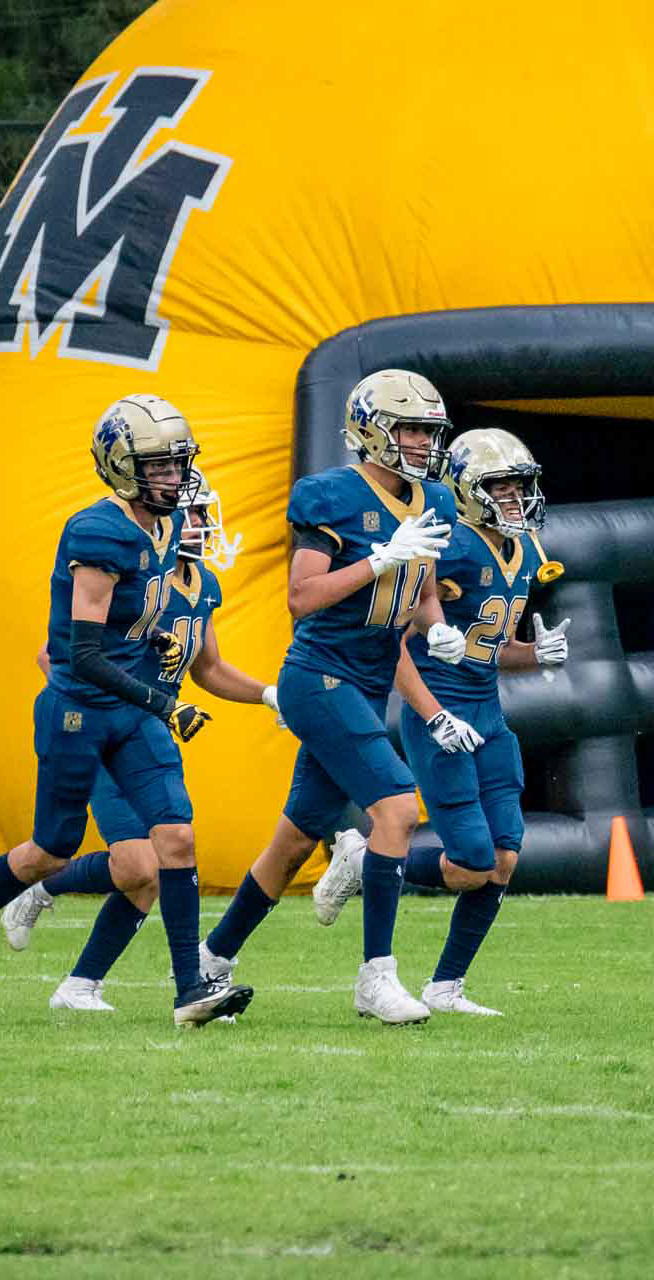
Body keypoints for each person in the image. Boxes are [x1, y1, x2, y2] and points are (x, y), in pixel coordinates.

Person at [0, 395, 252, 1028]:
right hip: (80, 710)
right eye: (158, 465)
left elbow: (131, 618)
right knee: (50, 850)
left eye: (177, 463)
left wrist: (156, 641)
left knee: (177, 837)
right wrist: (166, 702)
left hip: (131, 715)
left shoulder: (167, 529)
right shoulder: (98, 531)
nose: (174, 477)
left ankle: (190, 989)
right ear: (122, 466)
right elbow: (84, 654)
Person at [195, 368, 470, 1026]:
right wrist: (377, 559)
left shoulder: (435, 497)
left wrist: (439, 629)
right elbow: (301, 597)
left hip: (369, 680)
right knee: (397, 807)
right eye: (409, 429)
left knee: (294, 841)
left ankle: (211, 957)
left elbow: (421, 592)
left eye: (428, 431)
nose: (422, 442)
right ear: (371, 430)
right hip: (319, 675)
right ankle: (377, 976)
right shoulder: (329, 496)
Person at [1, 468, 281, 1013]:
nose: (196, 523)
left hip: (148, 733)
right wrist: (94, 710)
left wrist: (269, 695)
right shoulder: (132, 567)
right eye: (189, 512)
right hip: (107, 726)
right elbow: (54, 656)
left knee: (157, 864)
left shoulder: (204, 584)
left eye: (201, 513)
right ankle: (44, 886)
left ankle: (81, 985)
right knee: (139, 866)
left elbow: (209, 669)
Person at [382, 428, 569, 1016]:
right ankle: (366, 858)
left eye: (519, 485)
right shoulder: (448, 544)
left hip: (489, 715)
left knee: (504, 857)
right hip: (439, 713)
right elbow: (391, 642)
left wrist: (535, 655)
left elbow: (489, 647)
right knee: (470, 863)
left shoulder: (526, 549)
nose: (515, 497)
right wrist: (433, 715)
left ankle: (446, 986)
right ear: (466, 490)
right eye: (500, 486)